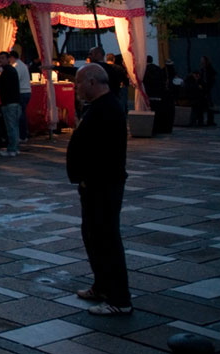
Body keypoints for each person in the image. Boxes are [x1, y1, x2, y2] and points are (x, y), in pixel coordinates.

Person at [68, 63, 132, 316]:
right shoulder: (99, 107)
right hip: (94, 185)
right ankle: (102, 285)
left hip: (103, 185)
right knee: (93, 237)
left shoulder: (108, 109)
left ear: (93, 82)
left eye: (79, 83)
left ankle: (119, 299)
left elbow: (105, 154)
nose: (77, 88)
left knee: (107, 239)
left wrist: (88, 179)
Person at [0, 52, 22, 157]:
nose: (0, 60)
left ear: (8, 59)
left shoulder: (7, 71)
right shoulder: (10, 70)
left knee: (11, 126)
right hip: (13, 101)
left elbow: (3, 85)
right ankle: (14, 147)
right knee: (14, 126)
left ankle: (12, 148)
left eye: (2, 58)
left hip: (9, 102)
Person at [144, 55, 170, 134]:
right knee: (158, 110)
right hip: (158, 92)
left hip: (149, 92)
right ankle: (158, 126)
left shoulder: (145, 69)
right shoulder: (158, 68)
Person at [10, 50, 32, 142]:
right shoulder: (22, 65)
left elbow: (15, 79)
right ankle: (23, 134)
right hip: (26, 91)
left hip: (22, 92)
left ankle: (22, 135)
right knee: (22, 113)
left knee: (20, 114)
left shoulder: (17, 66)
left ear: (12, 57)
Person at [201, 56, 218, 126]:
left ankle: (210, 120)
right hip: (205, 88)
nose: (201, 61)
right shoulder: (203, 69)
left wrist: (208, 85)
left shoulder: (209, 69)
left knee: (209, 104)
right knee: (208, 104)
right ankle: (208, 120)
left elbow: (212, 78)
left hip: (207, 88)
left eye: (202, 60)